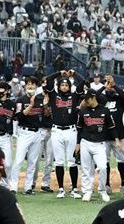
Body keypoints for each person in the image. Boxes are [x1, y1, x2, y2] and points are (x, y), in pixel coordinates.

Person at [45, 69, 85, 199]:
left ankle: (74, 189)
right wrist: (59, 73)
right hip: (56, 131)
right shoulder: (53, 95)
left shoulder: (74, 96)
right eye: (62, 85)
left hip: (71, 131)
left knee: (72, 161)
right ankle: (61, 189)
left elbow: (83, 82)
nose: (64, 87)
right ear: (58, 86)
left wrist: (74, 74)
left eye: (66, 85)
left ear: (69, 86)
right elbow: (48, 79)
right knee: (59, 161)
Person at [75, 89, 120, 202]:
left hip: (100, 144)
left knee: (103, 167)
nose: (85, 101)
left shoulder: (105, 110)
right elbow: (79, 129)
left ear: (93, 97)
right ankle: (87, 191)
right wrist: (78, 143)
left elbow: (111, 126)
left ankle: (102, 190)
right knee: (86, 169)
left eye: (87, 98)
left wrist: (117, 139)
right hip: (86, 142)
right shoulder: (83, 111)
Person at [10, 77, 49, 194]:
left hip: (37, 132)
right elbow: (17, 117)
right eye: (28, 84)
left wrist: (46, 106)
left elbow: (46, 115)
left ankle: (28, 188)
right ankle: (13, 187)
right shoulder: (20, 100)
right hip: (24, 132)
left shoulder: (40, 99)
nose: (30, 86)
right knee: (18, 161)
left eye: (33, 84)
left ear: (36, 87)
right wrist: (30, 106)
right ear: (25, 86)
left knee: (32, 162)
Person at [97, 75, 124, 195]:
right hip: (104, 135)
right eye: (107, 84)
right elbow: (94, 97)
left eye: (110, 84)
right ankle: (106, 184)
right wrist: (103, 87)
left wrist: (114, 85)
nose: (109, 86)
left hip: (119, 135)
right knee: (104, 162)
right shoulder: (101, 98)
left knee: (121, 161)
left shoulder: (119, 99)